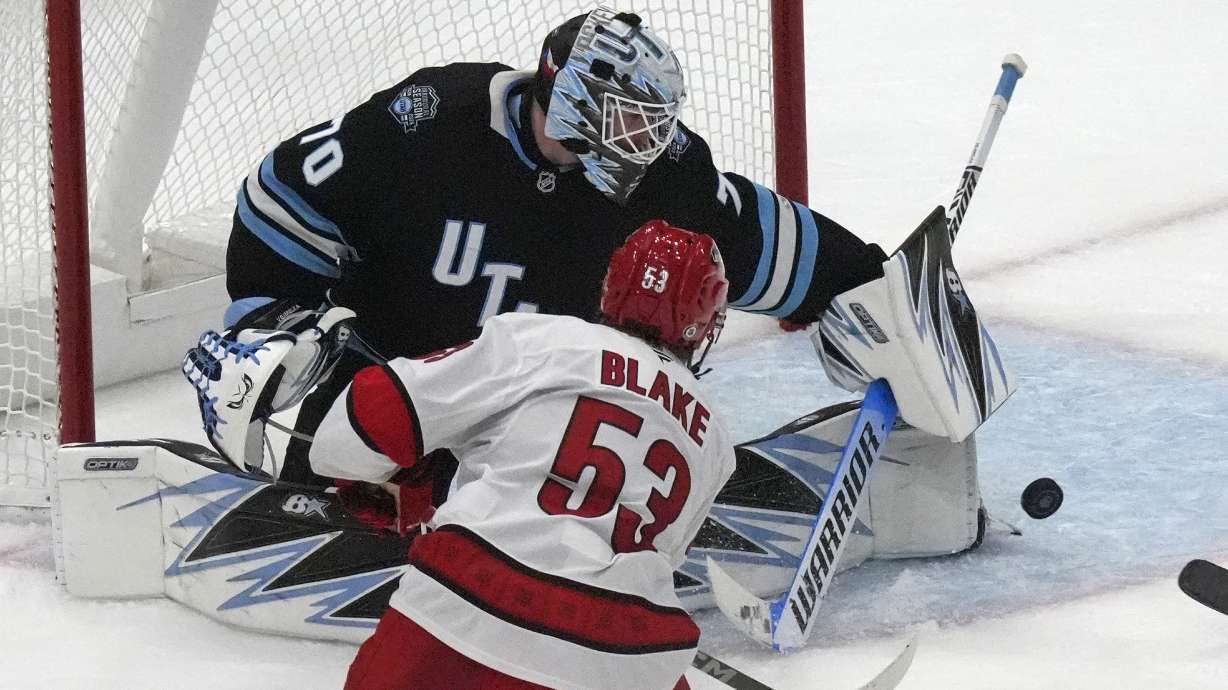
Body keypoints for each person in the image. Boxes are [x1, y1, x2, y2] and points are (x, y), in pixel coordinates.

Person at [219, 6, 887, 485]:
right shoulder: (431, 124)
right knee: (331, 452)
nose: (647, 143)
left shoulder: (664, 177)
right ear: (569, 100)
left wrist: (872, 285)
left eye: (654, 124)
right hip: (388, 392)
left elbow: (765, 242)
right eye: (630, 120)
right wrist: (274, 316)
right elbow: (281, 195)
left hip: (549, 428)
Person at [300, 221, 734, 690]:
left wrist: (396, 481)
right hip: (623, 656)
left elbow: (351, 432)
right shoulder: (715, 440)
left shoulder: (543, 340)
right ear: (704, 318)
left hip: (463, 604)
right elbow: (654, 552)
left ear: (612, 286)